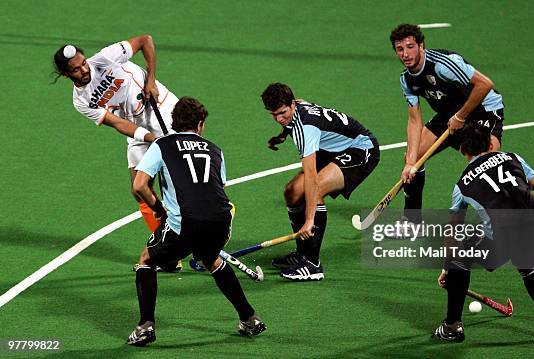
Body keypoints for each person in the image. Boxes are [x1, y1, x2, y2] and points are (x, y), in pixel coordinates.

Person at [127, 97, 266, 346]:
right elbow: (217, 188)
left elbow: (139, 186)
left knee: (146, 259)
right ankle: (250, 318)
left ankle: (145, 326)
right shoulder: (215, 149)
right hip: (221, 220)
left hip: (186, 223)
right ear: (200, 124)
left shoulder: (162, 145)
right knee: (211, 258)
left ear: (173, 122)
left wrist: (158, 208)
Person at [53, 35, 181, 271]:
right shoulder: (81, 100)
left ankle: (217, 211)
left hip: (161, 108)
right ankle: (168, 246)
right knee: (139, 189)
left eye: (83, 63)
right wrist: (153, 139)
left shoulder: (105, 58)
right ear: (65, 74)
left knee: (180, 175)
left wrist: (151, 80)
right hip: (135, 128)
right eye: (76, 69)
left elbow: (146, 40)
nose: (84, 69)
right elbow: (119, 124)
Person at [433, 123, 534, 342]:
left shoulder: (462, 185)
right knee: (528, 266)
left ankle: (452, 327)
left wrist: (449, 270)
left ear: (462, 151)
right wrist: (532, 197)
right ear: (491, 143)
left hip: (502, 238)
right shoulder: (512, 157)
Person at [260, 83, 380, 281]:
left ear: (291, 104)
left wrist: (309, 221)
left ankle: (312, 264)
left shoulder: (306, 129)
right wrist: (281, 135)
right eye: (273, 115)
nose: (279, 119)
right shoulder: (296, 105)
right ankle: (302, 253)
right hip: (333, 149)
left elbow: (312, 180)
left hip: (361, 149)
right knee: (291, 191)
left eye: (282, 113)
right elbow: (291, 121)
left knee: (313, 191)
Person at [389, 23, 505, 226]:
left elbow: (485, 84)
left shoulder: (443, 65)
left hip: (482, 108)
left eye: (410, 46)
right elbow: (414, 120)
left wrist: (460, 116)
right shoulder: (406, 80)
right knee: (413, 155)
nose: (405, 54)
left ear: (421, 45)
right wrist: (410, 162)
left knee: (485, 163)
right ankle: (412, 221)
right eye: (400, 49)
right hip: (449, 114)